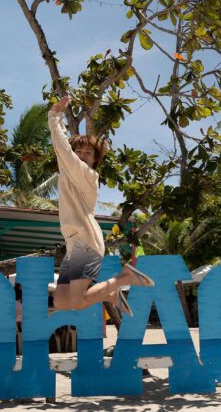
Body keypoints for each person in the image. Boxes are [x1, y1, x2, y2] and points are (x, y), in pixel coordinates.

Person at [48, 95, 154, 317]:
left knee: (77, 301)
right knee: (60, 302)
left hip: (85, 241)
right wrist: (59, 120)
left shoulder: (86, 174)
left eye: (88, 153)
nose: (82, 155)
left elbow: (61, 147)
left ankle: (123, 277)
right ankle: (108, 292)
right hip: (74, 243)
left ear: (95, 160)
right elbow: (64, 151)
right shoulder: (71, 172)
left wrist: (54, 115)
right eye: (79, 151)